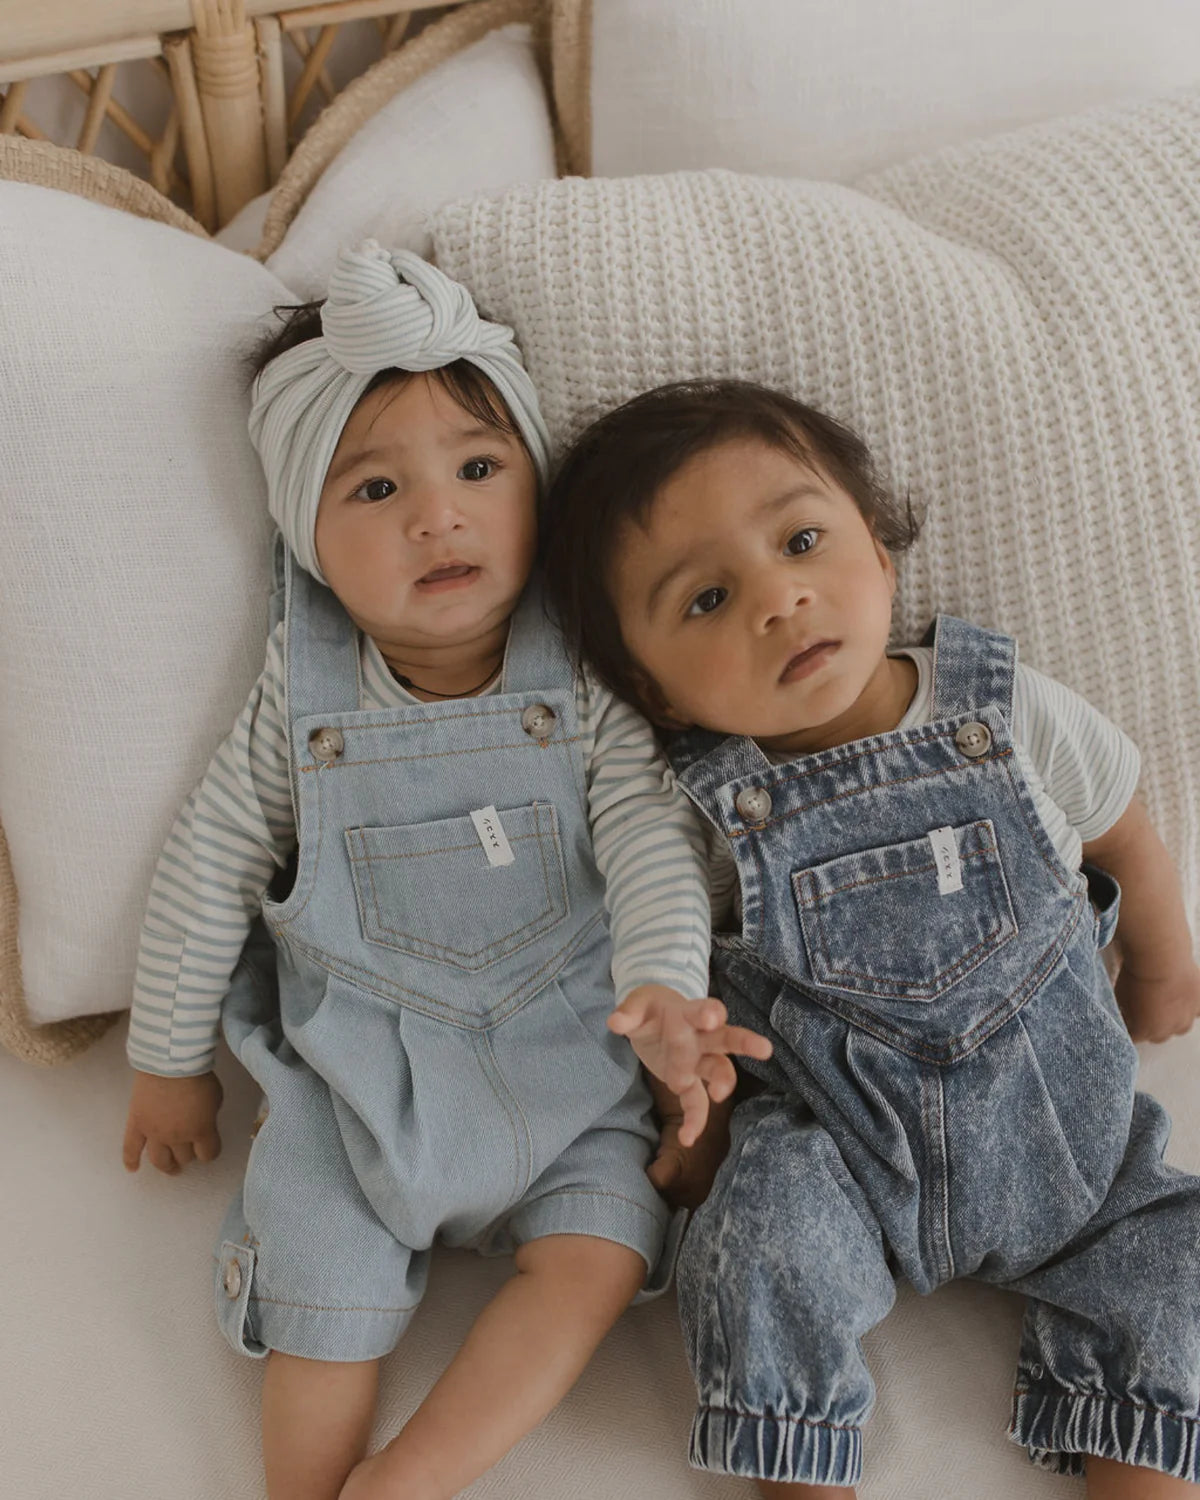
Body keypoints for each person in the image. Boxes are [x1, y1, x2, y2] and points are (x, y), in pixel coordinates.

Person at [120, 248, 769, 1500]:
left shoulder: (580, 672)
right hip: (357, 1078)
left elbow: (649, 834)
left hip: (571, 1064)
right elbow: (207, 862)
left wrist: (664, 985)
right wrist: (165, 1061)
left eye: (480, 468)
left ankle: (413, 1478)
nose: (439, 515)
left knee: (593, 1259)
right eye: (375, 488)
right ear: (306, 539)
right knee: (319, 1275)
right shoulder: (295, 700)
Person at [543, 377, 1200, 1499]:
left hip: (1070, 1143)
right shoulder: (694, 807)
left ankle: (1141, 1471)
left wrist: (1164, 957)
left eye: (803, 540)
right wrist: (687, 1117)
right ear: (654, 689)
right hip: (847, 1157)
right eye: (705, 600)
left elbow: (1120, 815)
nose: (778, 600)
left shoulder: (998, 707)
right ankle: (806, 1472)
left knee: (1178, 1262)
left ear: (882, 558)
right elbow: (668, 971)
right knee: (761, 1237)